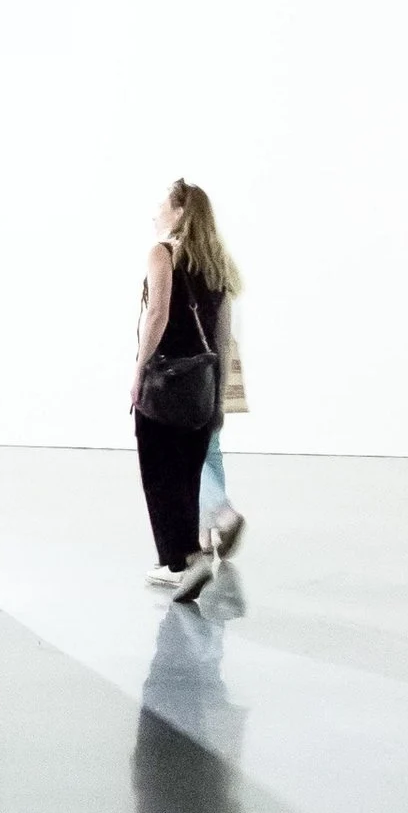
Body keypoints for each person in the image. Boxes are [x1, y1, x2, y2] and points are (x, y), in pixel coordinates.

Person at [132, 179, 241, 599]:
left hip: (165, 385)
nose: (156, 212)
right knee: (189, 477)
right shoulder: (217, 266)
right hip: (201, 389)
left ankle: (177, 564)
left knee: (160, 477)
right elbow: (222, 337)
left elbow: (156, 314)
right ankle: (192, 559)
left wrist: (139, 370)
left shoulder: (162, 253)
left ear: (179, 213)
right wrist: (218, 400)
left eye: (162, 205)